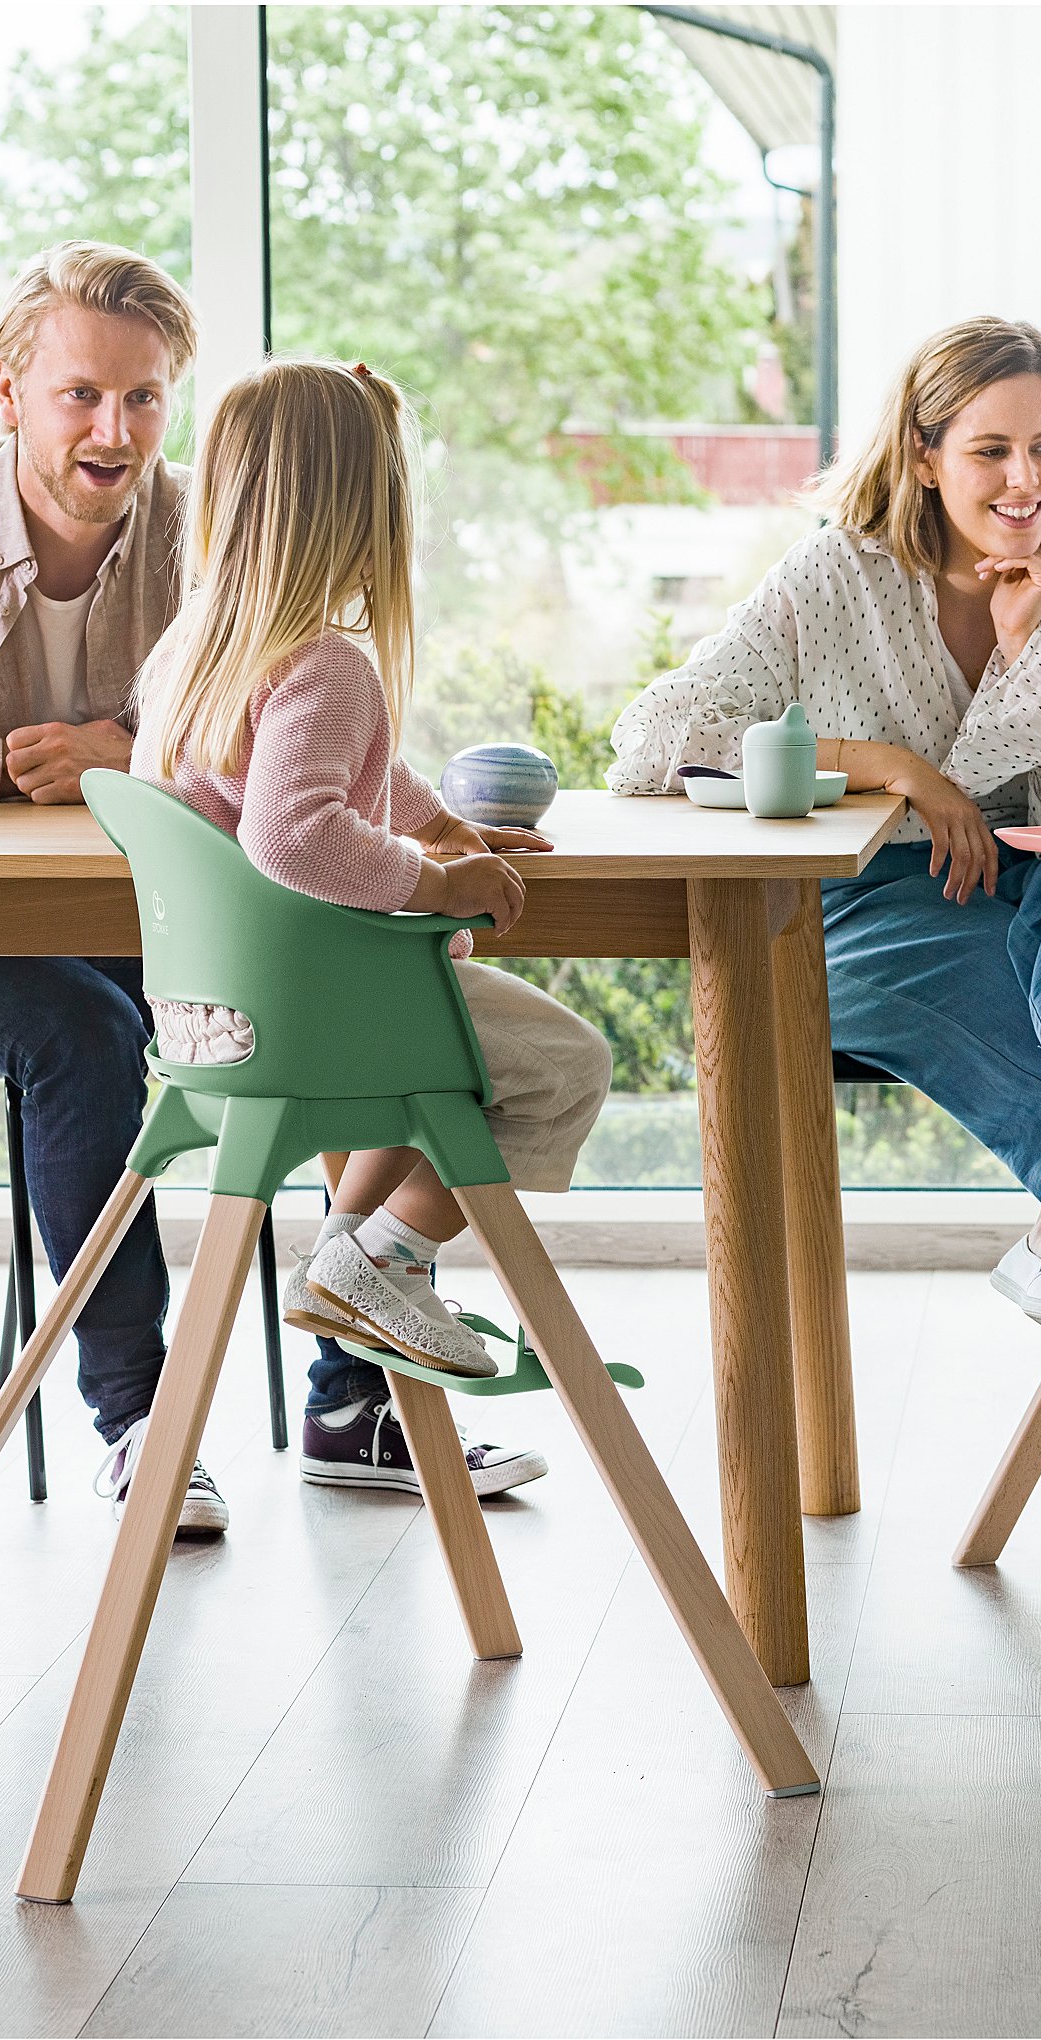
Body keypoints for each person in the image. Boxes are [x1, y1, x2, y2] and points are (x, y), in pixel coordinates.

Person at [0, 241, 551, 1529]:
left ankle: (348, 1396)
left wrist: (416, 811)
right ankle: (142, 1421)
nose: (115, 429)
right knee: (83, 1031)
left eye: (145, 398)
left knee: (326, 994)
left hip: (161, 933)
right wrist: (3, 762)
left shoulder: (201, 529)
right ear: (7, 390)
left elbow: (295, 739)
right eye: (80, 396)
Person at [609, 315, 1041, 1528]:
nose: (1024, 482)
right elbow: (654, 738)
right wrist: (897, 771)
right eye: (989, 452)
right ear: (924, 457)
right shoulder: (835, 578)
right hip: (878, 905)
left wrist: (1033, 651)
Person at [131, 356, 610, 1420]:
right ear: (363, 514)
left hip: (213, 1025)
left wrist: (430, 818)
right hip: (315, 1021)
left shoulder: (195, 650)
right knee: (567, 1065)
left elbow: (323, 771)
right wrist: (436, 879)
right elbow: (293, 834)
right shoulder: (327, 664)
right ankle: (380, 1256)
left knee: (434, 1039)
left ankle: (354, 1261)